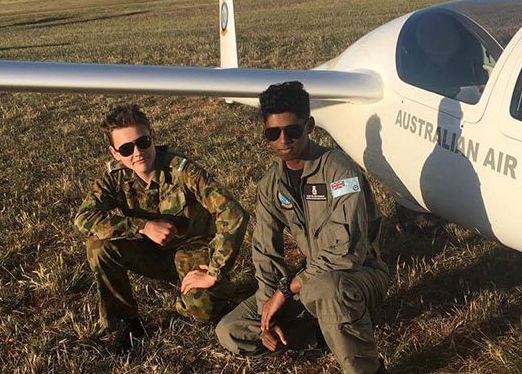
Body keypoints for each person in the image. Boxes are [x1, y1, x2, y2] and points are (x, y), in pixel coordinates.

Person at [215, 82, 389, 374]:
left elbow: (345, 253)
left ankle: (367, 368)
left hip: (357, 275)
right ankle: (322, 333)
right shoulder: (271, 184)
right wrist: (265, 314)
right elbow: (265, 252)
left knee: (325, 289)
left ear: (309, 126)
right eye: (273, 133)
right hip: (308, 283)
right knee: (231, 330)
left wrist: (284, 292)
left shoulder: (339, 170)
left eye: (293, 130)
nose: (284, 140)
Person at [74, 103, 248, 353]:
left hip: (193, 251)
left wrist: (215, 271)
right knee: (99, 247)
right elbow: (83, 219)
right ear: (115, 153)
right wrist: (142, 226)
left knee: (204, 309)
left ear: (153, 137)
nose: (137, 152)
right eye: (126, 148)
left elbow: (233, 212)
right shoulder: (115, 179)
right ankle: (128, 321)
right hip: (151, 252)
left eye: (143, 142)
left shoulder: (182, 170)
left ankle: (211, 291)